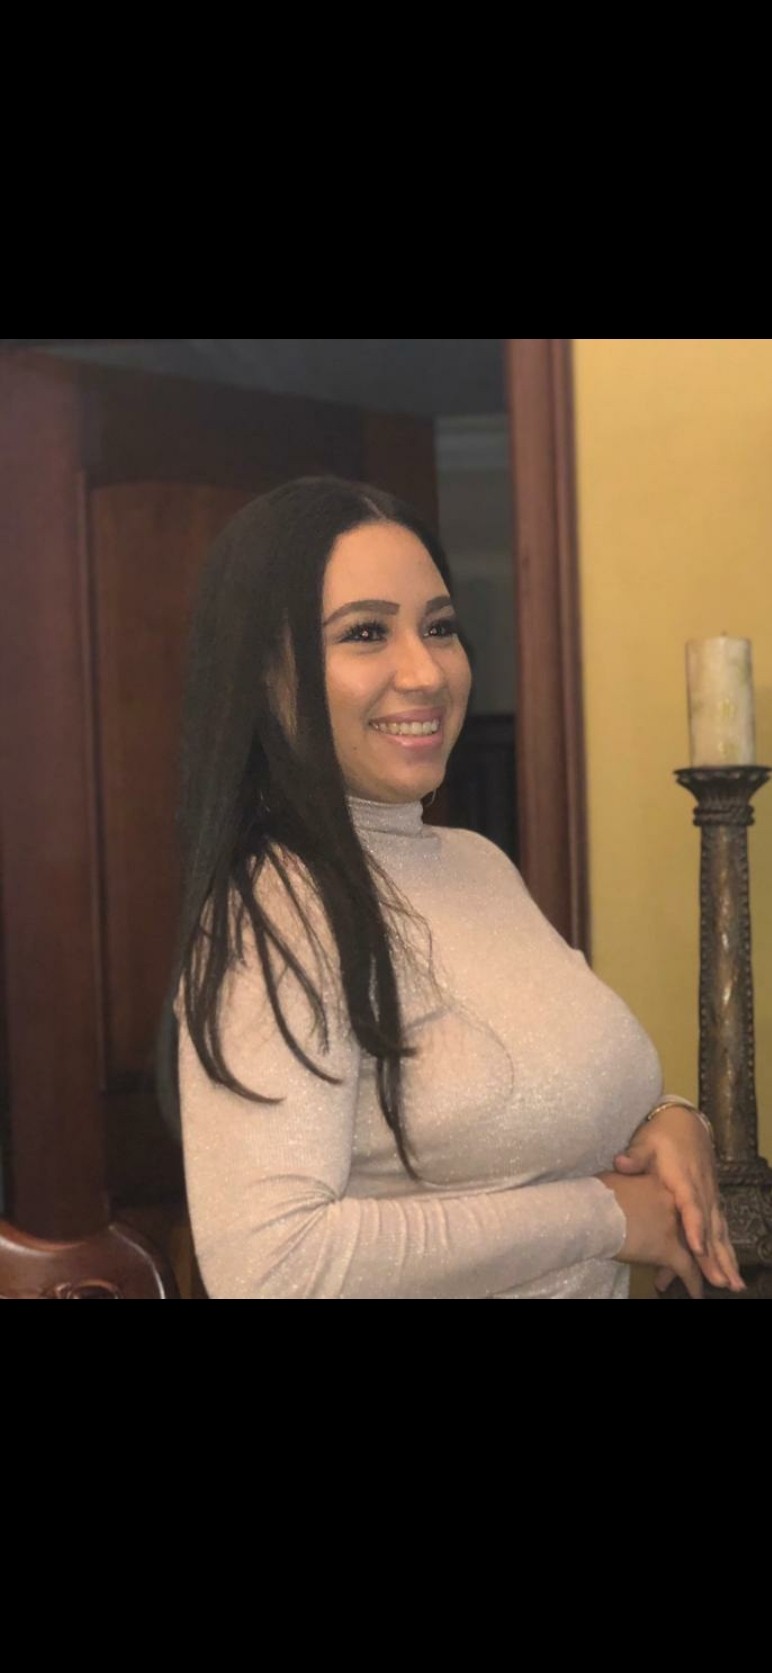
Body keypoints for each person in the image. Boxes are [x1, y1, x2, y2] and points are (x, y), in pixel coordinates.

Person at [158, 474, 745, 1300]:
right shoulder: (276, 914)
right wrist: (605, 1215)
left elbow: (562, 1089)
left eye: (439, 627)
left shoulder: (478, 864)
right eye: (366, 632)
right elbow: (273, 1266)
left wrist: (668, 1119)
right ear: (265, 674)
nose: (426, 671)